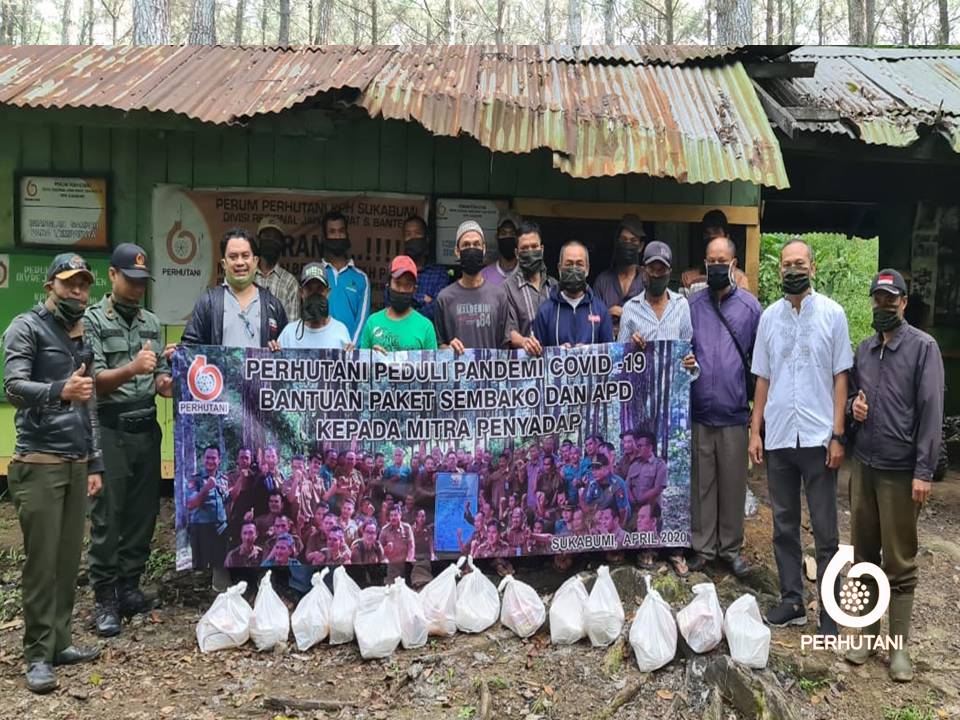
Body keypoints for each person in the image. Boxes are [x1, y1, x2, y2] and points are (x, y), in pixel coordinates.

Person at [2, 253, 104, 693]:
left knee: (66, 562)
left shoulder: (82, 335)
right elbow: (12, 386)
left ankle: (60, 640)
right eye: (68, 284)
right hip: (39, 460)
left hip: (77, 461)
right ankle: (37, 654)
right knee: (42, 565)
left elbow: (91, 401)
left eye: (83, 285)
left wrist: (95, 460)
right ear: (50, 286)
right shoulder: (26, 327)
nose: (77, 292)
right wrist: (59, 390)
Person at [843, 269, 944, 680]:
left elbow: (932, 412)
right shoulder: (865, 350)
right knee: (865, 556)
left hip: (902, 473)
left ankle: (899, 649)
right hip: (864, 466)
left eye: (891, 299)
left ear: (903, 302)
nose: (883, 306)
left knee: (900, 561)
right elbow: (851, 395)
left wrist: (924, 471)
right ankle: (869, 636)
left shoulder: (923, 348)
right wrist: (854, 408)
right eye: (878, 299)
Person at [749, 238, 853, 636]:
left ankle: (830, 613)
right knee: (784, 524)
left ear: (812, 268)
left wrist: (837, 434)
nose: (792, 270)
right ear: (779, 271)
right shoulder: (769, 318)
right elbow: (762, 377)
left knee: (826, 531)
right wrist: (754, 430)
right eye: (786, 265)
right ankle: (792, 600)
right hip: (778, 437)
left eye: (799, 264)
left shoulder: (833, 314)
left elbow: (841, 377)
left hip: (817, 437)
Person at [83, 243, 171, 637]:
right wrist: (133, 367)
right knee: (108, 516)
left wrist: (173, 377)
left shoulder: (152, 321)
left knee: (142, 512)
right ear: (112, 276)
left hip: (145, 430)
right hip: (111, 430)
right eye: (130, 280)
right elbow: (94, 383)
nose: (137, 288)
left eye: (142, 282)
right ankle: (104, 597)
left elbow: (161, 380)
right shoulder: (93, 322)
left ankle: (129, 586)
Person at [687, 234, 762, 577]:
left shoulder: (750, 309)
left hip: (733, 411)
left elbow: (761, 364)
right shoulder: (692, 306)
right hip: (700, 409)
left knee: (732, 484)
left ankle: (729, 549)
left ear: (733, 265)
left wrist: (756, 421)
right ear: (704, 263)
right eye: (710, 260)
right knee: (702, 482)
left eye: (722, 261)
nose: (715, 266)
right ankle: (702, 548)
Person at [183, 229, 287, 348]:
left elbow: (287, 354)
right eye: (233, 257)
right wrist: (175, 356)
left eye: (245, 256)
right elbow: (189, 348)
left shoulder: (272, 305)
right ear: (224, 264)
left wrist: (278, 351)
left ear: (255, 261)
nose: (240, 262)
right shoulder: (208, 302)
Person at [435, 221, 510, 353]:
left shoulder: (499, 296)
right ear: (457, 251)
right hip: (458, 372)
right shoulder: (444, 298)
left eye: (476, 244)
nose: (471, 248)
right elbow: (438, 345)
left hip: (490, 372)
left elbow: (504, 346)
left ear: (484, 249)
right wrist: (448, 349)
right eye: (466, 245)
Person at [532, 241, 614, 348]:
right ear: (559, 268)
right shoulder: (545, 311)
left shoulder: (600, 310)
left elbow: (611, 354)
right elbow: (537, 356)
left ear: (587, 269)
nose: (574, 269)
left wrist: (589, 351)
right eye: (569, 264)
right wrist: (556, 353)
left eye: (579, 264)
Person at [361, 255, 439, 352]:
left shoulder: (426, 327)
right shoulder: (372, 322)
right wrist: (372, 358)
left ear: (414, 289)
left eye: (407, 285)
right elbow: (362, 364)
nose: (402, 290)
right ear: (388, 285)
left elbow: (431, 365)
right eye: (397, 283)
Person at [505, 221, 557, 355]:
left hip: (555, 365)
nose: (530, 252)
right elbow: (508, 330)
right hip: (525, 368)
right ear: (517, 253)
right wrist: (524, 342)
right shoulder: (507, 289)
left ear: (542, 249)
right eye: (524, 248)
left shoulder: (556, 286)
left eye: (534, 246)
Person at [321, 211, 370, 345]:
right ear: (324, 237)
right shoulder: (316, 274)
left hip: (351, 354)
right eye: (332, 232)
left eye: (341, 231)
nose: (337, 236)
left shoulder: (361, 278)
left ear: (347, 234)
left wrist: (352, 349)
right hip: (319, 355)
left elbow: (362, 320)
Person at [277, 262, 351, 350]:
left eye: (320, 289)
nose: (315, 294)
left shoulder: (340, 331)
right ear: (301, 293)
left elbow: (350, 361)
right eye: (309, 289)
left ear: (328, 292)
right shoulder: (289, 333)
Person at [593, 214, 647, 332]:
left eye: (633, 241)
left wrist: (627, 315)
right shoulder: (602, 281)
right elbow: (591, 320)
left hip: (639, 347)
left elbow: (656, 319)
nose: (627, 244)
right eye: (623, 240)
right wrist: (607, 315)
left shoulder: (647, 279)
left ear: (640, 246)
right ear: (617, 243)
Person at [393, 215, 451, 321]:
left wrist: (407, 305)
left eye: (417, 233)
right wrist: (423, 299)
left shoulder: (439, 273)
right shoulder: (396, 269)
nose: (412, 238)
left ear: (427, 238)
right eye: (408, 234)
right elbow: (391, 303)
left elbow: (437, 307)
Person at [681, 210, 750, 296]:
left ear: (727, 237)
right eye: (707, 233)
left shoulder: (739, 278)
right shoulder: (689, 277)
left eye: (716, 232)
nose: (711, 236)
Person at [186, 446, 231, 571]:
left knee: (220, 566)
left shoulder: (223, 479)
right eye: (207, 458)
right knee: (200, 567)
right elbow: (191, 504)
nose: (210, 461)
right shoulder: (195, 479)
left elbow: (226, 501)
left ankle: (217, 588)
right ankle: (199, 588)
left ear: (219, 460)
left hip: (220, 529)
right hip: (202, 529)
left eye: (213, 458)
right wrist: (206, 488)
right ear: (203, 458)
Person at [255, 217, 300, 322]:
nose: (271, 240)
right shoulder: (246, 277)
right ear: (258, 240)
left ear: (282, 244)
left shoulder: (290, 282)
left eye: (276, 238)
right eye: (267, 236)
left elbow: (292, 328)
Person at [481, 211, 520, 286]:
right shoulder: (484, 276)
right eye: (503, 233)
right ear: (497, 237)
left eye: (512, 234)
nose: (508, 237)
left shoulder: (527, 275)